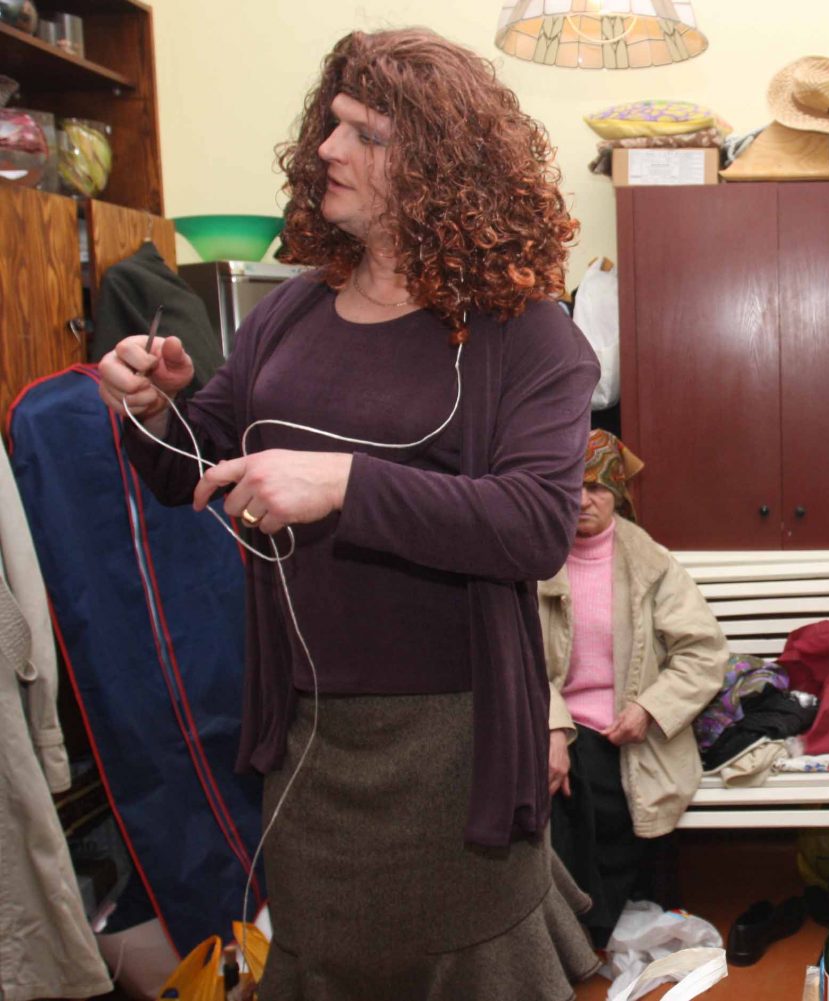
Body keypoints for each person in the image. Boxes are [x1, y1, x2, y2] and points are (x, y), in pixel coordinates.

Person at [96, 29, 602, 999]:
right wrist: (154, 407)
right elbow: (192, 469)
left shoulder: (527, 336)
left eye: (366, 134)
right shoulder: (290, 316)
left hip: (454, 746)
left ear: (441, 168)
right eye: (332, 125)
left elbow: (536, 523)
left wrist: (347, 484)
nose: (327, 148)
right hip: (307, 740)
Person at [541, 430, 729, 947]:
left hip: (632, 727)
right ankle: (571, 931)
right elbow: (519, 659)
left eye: (597, 487)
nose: (582, 500)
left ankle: (580, 933)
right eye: (571, 486)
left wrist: (649, 707)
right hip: (556, 722)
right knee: (552, 779)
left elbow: (703, 653)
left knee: (591, 785)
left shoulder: (652, 564)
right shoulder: (536, 561)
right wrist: (552, 726)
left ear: (618, 493)